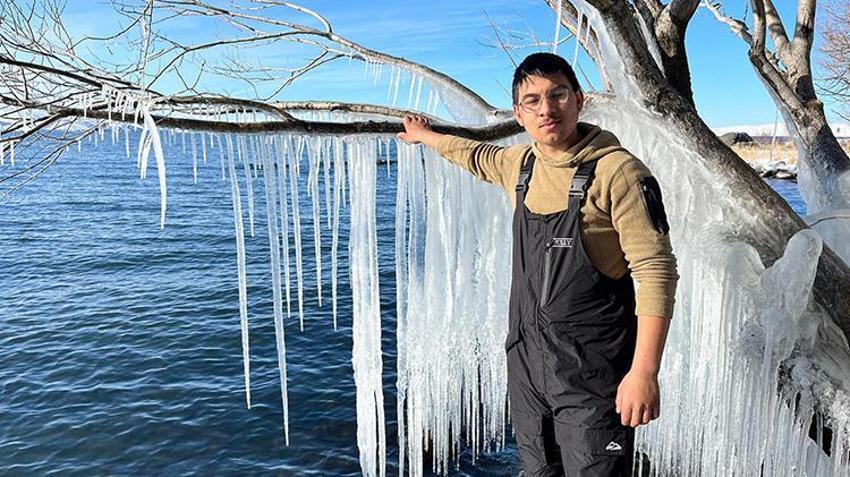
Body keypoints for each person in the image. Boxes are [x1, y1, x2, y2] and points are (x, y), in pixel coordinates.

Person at [396, 52, 678, 477]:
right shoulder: (521, 165)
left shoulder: (618, 172)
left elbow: (656, 270)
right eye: (533, 100)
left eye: (558, 94)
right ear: (519, 113)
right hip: (528, 369)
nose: (547, 109)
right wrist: (425, 136)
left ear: (579, 100)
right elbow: (473, 155)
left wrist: (644, 372)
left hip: (593, 377)